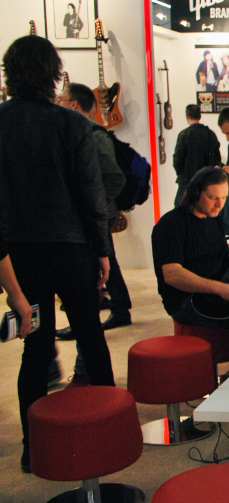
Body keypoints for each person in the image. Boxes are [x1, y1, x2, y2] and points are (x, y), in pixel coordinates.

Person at [0, 35, 115, 474]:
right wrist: (101, 250)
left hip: (19, 253)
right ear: (54, 74)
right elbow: (91, 194)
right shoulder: (72, 125)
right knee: (91, 336)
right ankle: (110, 432)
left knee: (35, 347)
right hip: (71, 248)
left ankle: (34, 448)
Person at [151, 167, 229, 365]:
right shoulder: (170, 225)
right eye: (213, 198)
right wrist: (220, 289)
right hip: (186, 300)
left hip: (215, 288)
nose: (220, 204)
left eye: (224, 197)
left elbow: (222, 258)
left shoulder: (214, 219)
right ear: (195, 194)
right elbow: (172, 274)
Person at [54, 83, 131, 347]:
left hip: (96, 214)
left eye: (61, 99)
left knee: (96, 264)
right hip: (94, 212)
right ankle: (118, 308)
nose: (57, 103)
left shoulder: (92, 134)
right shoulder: (78, 132)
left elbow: (115, 178)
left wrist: (92, 203)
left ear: (73, 104)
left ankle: (101, 317)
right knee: (106, 261)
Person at [173, 104, 222, 207]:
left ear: (187, 116)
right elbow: (217, 158)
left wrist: (181, 173)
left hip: (187, 181)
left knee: (181, 209)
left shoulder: (184, 134)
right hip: (206, 181)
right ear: (200, 116)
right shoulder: (210, 134)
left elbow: (177, 158)